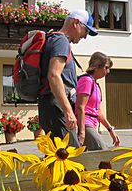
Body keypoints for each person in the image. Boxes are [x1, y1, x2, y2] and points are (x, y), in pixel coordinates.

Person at [38, 9, 97, 146]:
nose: (85, 36)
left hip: (53, 107)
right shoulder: (61, 41)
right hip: (56, 108)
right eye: (86, 31)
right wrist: (68, 110)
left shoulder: (54, 39)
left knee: (59, 157)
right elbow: (54, 75)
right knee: (70, 156)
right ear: (76, 23)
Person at [74, 52, 120, 151]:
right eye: (106, 67)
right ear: (96, 66)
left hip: (93, 124)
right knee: (102, 152)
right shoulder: (86, 80)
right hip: (85, 124)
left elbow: (98, 112)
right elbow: (80, 107)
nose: (108, 71)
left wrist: (111, 130)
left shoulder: (95, 84)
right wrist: (82, 132)